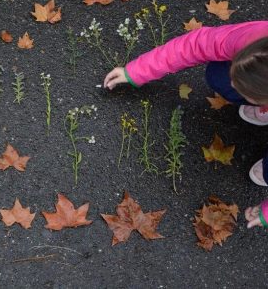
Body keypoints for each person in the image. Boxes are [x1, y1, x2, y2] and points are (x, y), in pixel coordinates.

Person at [103, 21, 268, 228]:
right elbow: (196, 45)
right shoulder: (254, 39)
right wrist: (137, 71)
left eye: (244, 89)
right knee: (219, 75)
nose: (233, 84)